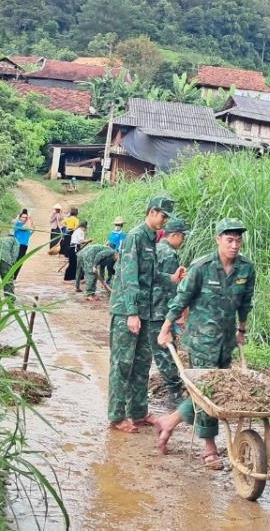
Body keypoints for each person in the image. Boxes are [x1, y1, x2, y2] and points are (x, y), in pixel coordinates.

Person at [154, 217, 256, 470]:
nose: (235, 245)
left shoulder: (246, 269)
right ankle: (209, 449)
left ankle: (170, 421)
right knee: (208, 393)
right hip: (201, 341)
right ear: (218, 240)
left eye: (238, 240)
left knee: (213, 395)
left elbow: (245, 302)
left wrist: (241, 328)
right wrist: (166, 327)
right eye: (229, 240)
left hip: (226, 341)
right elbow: (181, 298)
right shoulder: (202, 266)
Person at [106, 194, 174, 433]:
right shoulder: (135, 237)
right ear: (152, 212)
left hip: (143, 311)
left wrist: (172, 279)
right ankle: (116, 416)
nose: (165, 221)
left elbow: (151, 275)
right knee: (122, 364)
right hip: (128, 311)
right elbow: (129, 277)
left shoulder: (150, 239)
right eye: (163, 216)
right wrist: (132, 312)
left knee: (142, 363)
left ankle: (138, 412)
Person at [150, 215, 189, 400]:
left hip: (151, 305)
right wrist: (177, 314)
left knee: (159, 348)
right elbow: (171, 287)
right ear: (174, 235)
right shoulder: (169, 254)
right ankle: (174, 393)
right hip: (159, 308)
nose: (183, 240)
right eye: (182, 236)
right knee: (165, 350)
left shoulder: (157, 248)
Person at [68, 218, 88, 285]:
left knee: (75, 263)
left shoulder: (77, 231)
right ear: (83, 227)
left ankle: (77, 279)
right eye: (86, 228)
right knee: (78, 263)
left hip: (73, 248)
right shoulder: (80, 231)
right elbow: (81, 241)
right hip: (75, 248)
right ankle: (79, 279)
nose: (86, 230)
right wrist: (88, 240)